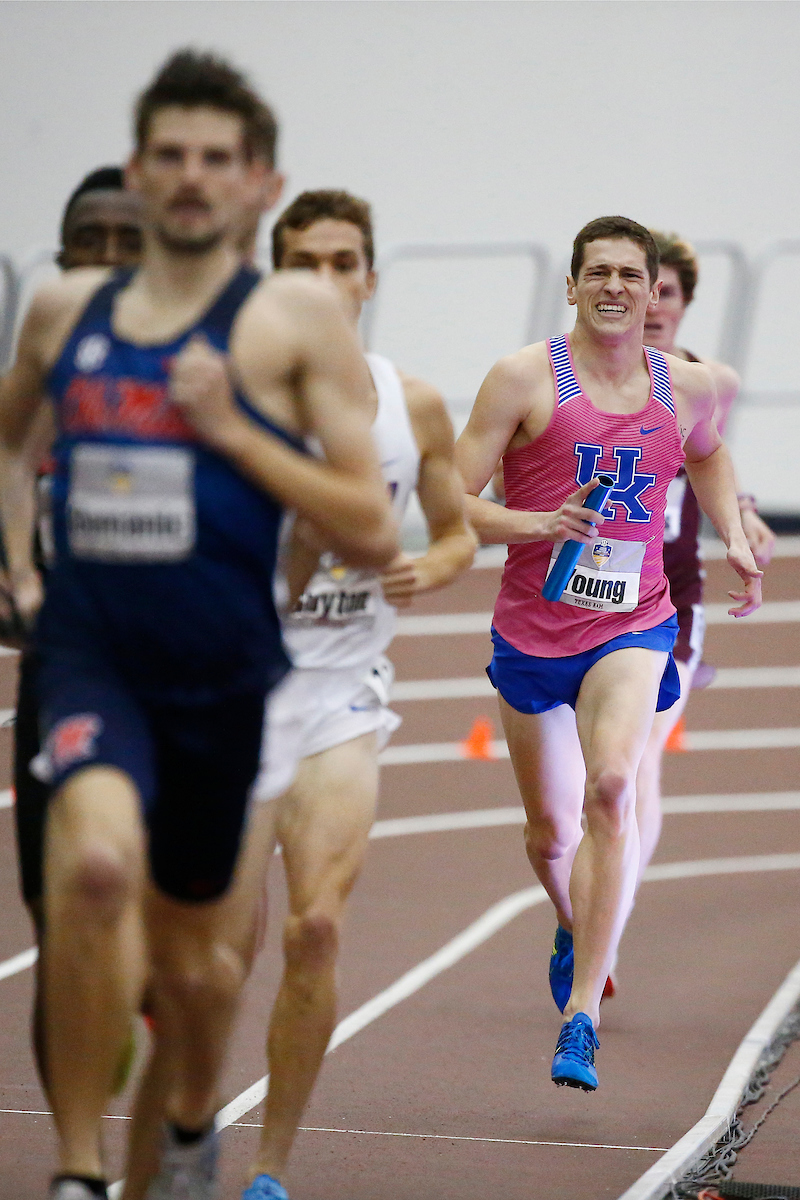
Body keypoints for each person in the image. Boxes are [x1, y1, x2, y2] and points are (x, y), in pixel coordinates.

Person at [0, 50, 397, 1200]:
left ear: (258, 184)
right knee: (93, 872)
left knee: (202, 970)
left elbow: (368, 525)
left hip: (225, 673)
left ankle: (182, 1125)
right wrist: (22, 564)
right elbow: (8, 436)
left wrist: (230, 431)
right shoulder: (66, 307)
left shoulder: (291, 327)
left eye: (214, 159)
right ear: (138, 165)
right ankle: (77, 1172)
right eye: (168, 154)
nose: (189, 177)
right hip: (92, 656)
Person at [121, 188, 476, 1200]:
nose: (324, 280)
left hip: (340, 696)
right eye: (303, 262)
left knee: (315, 927)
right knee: (218, 954)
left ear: (368, 279)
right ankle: (185, 1121)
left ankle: (269, 1168)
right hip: (234, 696)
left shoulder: (409, 402)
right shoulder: (221, 398)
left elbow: (451, 528)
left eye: (342, 261)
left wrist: (433, 567)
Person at [454, 215, 762, 1092]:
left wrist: (736, 528)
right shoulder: (523, 378)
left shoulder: (686, 387)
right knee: (551, 833)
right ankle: (569, 918)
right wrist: (535, 523)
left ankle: (581, 1015)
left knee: (614, 788)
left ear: (654, 287)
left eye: (633, 274)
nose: (617, 288)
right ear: (574, 284)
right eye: (600, 272)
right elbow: (451, 496)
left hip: (633, 626)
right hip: (530, 632)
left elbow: (707, 457)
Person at [3, 165, 145, 1100]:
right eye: (82, 243)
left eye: (121, 242)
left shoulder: (210, 354)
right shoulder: (46, 355)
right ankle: (78, 1153)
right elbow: (8, 460)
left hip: (186, 673)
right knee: (59, 915)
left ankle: (170, 1097)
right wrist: (19, 574)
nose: (99, 260)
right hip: (71, 670)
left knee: (174, 927)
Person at [633, 231, 775, 881]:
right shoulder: (573, 378)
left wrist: (742, 511)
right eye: (644, 287)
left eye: (669, 291)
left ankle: (607, 917)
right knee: (583, 778)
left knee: (637, 762)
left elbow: (711, 454)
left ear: (687, 302)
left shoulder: (709, 381)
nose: (655, 304)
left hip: (673, 597)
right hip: (577, 594)